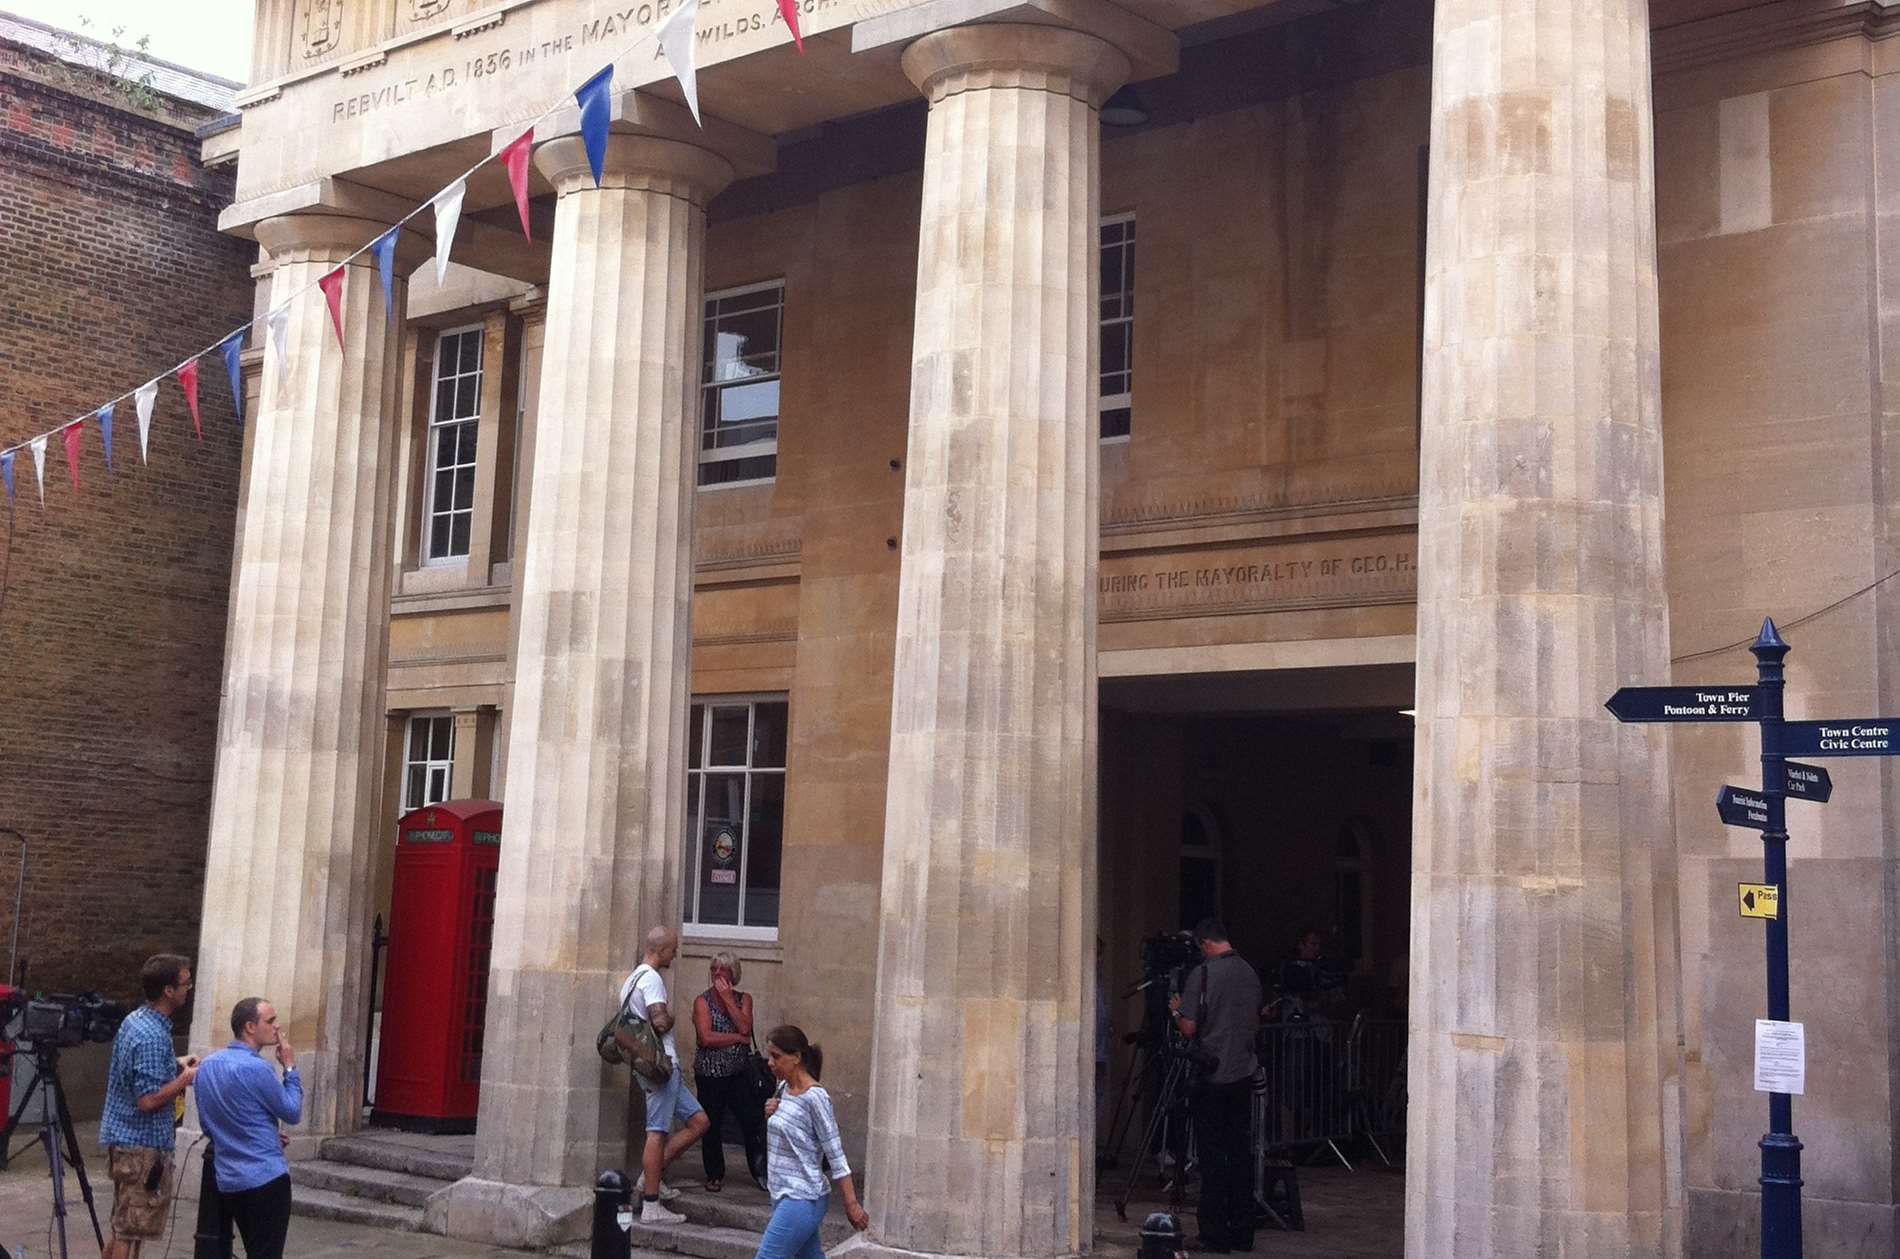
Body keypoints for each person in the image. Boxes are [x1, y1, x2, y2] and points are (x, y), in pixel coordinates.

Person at [1170, 919, 1262, 1254]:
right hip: (1242, 1073)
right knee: (1239, 1155)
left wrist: (1176, 1012)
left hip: (1212, 1075)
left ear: (1205, 944)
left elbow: (1190, 1028)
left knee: (1212, 1158)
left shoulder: (1204, 974)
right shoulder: (1249, 972)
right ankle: (1242, 1231)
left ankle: (1214, 1233)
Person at [99, 954, 198, 1259]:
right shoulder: (153, 1036)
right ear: (168, 990)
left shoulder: (136, 1020)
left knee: (123, 1227)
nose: (189, 988)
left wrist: (176, 1065)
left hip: (126, 1142)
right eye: (185, 982)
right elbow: (148, 1100)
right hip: (142, 1148)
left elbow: (135, 1074)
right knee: (130, 1233)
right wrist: (186, 1080)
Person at [193, 997, 303, 1259]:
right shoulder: (258, 1068)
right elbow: (292, 1110)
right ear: (250, 1027)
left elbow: (209, 1125)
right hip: (264, 1178)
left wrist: (264, 1133)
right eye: (271, 1021)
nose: (277, 1028)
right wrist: (289, 1066)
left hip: (229, 1179)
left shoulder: (207, 1066)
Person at [622, 925, 710, 1224]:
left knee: (699, 1121)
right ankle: (650, 1203)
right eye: (673, 949)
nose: (675, 954)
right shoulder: (652, 979)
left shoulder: (631, 979)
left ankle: (651, 1177)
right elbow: (660, 1021)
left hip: (652, 1065)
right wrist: (672, 1017)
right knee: (656, 1131)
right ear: (660, 950)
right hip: (662, 1066)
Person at [757, 1025, 869, 1259]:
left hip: (802, 1197)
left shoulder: (816, 1098)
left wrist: (851, 1204)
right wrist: (770, 1113)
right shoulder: (782, 1088)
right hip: (781, 1192)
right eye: (769, 1056)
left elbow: (835, 1153)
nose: (770, 1063)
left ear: (796, 1057)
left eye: (776, 1056)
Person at [691, 951, 767, 1192]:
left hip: (739, 1072)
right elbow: (706, 1038)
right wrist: (737, 1038)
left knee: (752, 1121)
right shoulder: (702, 1001)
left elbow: (746, 1025)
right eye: (714, 969)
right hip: (710, 1073)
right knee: (711, 1124)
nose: (717, 974)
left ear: (733, 974)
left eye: (722, 970)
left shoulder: (744, 999)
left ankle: (760, 1171)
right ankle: (714, 1173)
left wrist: (726, 998)